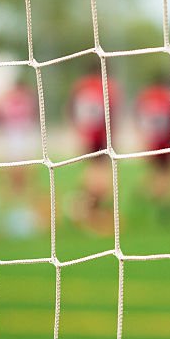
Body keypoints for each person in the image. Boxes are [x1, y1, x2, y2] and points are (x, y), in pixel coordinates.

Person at [67, 65, 119, 232]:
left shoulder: (80, 85)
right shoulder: (107, 85)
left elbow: (71, 108)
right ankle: (83, 208)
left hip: (86, 133)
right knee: (100, 176)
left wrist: (77, 129)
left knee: (93, 172)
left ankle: (84, 208)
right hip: (101, 134)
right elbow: (112, 111)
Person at [0, 79, 43, 237]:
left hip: (23, 140)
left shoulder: (28, 100)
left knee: (26, 178)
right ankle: (6, 215)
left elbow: (31, 121)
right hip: (9, 140)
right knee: (8, 178)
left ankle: (27, 214)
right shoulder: (5, 101)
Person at [136, 75, 170, 210]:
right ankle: (164, 199)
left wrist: (143, 137)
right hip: (166, 139)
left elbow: (139, 117)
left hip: (152, 139)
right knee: (166, 170)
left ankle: (154, 194)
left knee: (157, 170)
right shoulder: (168, 96)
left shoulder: (145, 97)